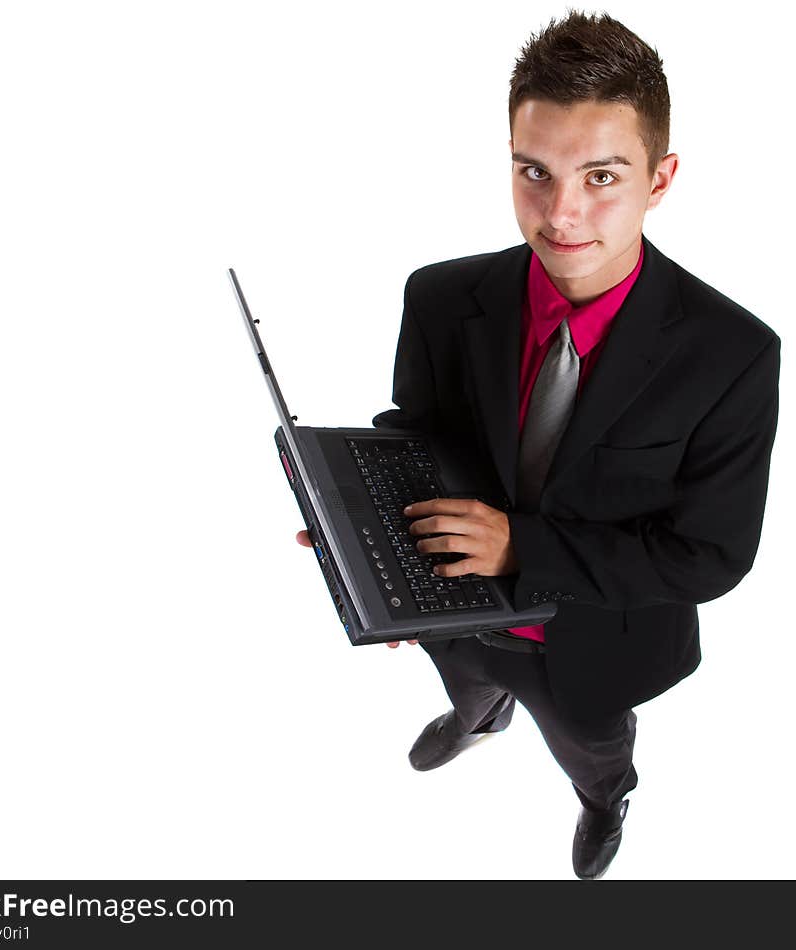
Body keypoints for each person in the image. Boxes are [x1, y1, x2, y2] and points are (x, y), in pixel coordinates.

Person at [296, 10, 781, 879]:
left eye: (602, 175)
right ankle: (479, 717)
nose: (562, 213)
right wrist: (368, 530)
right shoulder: (442, 297)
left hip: (593, 647)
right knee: (471, 680)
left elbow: (710, 558)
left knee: (590, 747)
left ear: (660, 179)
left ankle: (607, 800)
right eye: (534, 171)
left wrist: (525, 546)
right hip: (457, 611)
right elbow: (420, 433)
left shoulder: (734, 353)